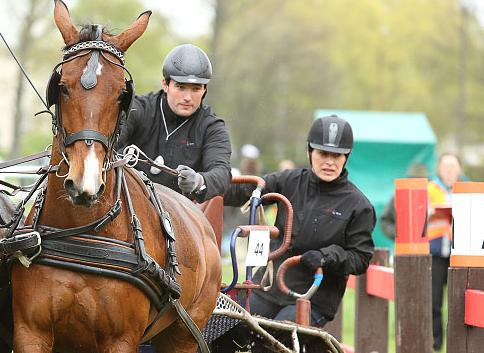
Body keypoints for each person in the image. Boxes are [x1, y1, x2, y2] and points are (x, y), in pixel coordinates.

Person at [219, 114, 376, 327]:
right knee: (224, 324)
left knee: (278, 341)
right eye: (323, 153)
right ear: (310, 152)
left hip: (312, 298)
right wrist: (205, 186)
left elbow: (361, 257)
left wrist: (326, 256)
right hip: (267, 288)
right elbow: (246, 191)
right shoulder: (289, 181)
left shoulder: (358, 205)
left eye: (336, 156)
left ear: (346, 157)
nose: (329, 162)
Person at [115, 44, 232, 202]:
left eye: (196, 89)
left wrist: (199, 181)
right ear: (165, 84)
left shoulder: (212, 127)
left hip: (184, 212)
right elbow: (109, 143)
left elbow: (222, 173)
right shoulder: (138, 109)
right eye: (181, 87)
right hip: (131, 203)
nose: (188, 97)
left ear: (204, 90)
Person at [427, 153, 464, 351]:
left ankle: (457, 345)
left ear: (459, 169)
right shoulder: (430, 189)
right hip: (435, 250)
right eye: (445, 165)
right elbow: (418, 213)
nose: (449, 169)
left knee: (459, 301)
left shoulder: (465, 190)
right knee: (434, 300)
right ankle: (436, 342)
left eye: (453, 165)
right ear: (439, 168)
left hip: (459, 251)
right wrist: (431, 211)